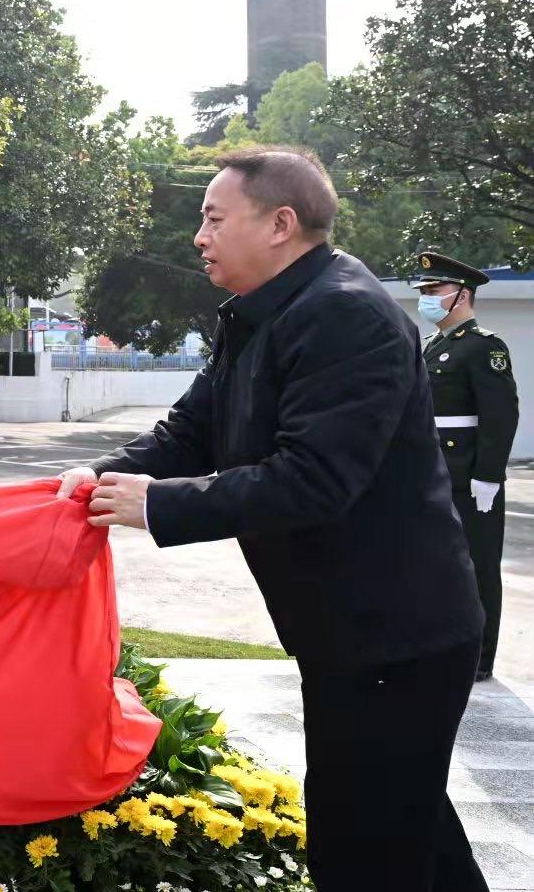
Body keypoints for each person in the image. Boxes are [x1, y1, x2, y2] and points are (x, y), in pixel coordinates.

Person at [56, 147, 486, 891]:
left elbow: (314, 480)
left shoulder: (346, 315)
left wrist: (156, 505)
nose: (199, 237)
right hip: (352, 631)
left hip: (396, 636)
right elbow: (189, 429)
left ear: (282, 223)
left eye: (214, 218)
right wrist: (92, 477)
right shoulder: (263, 313)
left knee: (367, 851)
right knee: (411, 834)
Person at [412, 250, 518, 681]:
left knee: (477, 567)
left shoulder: (485, 346)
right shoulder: (434, 346)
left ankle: (479, 658)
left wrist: (488, 476)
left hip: (470, 476)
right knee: (434, 566)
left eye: (436, 290)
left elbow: (501, 414)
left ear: (463, 295)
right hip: (433, 473)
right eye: (425, 291)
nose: (428, 298)